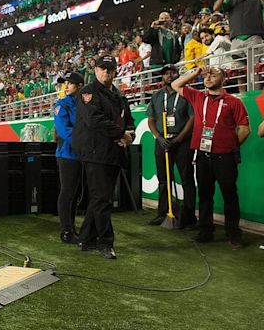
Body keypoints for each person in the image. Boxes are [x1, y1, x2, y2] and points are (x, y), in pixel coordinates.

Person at [172, 66, 250, 249]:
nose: (208, 77)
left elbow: (245, 129)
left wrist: (230, 146)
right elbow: (176, 84)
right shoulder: (198, 97)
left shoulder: (233, 102)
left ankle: (233, 233)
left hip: (225, 158)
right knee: (205, 195)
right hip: (202, 155)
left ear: (224, 79)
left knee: (230, 196)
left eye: (213, 74)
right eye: (206, 75)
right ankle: (205, 230)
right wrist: (196, 72)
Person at [72, 55, 135, 259]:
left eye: (109, 69)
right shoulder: (87, 92)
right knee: (102, 199)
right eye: (102, 68)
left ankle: (85, 238)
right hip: (95, 152)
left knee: (100, 198)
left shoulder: (119, 95)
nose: (106, 72)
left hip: (113, 152)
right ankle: (105, 242)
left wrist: (129, 135)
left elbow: (130, 120)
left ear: (115, 71)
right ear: (95, 70)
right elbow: (94, 120)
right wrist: (121, 134)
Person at [146, 65, 196, 228]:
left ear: (178, 75)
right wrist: (158, 137)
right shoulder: (157, 95)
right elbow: (151, 119)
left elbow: (192, 119)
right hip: (162, 142)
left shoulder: (185, 94)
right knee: (163, 178)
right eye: (166, 73)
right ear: (162, 77)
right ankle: (163, 212)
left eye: (173, 72)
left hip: (182, 142)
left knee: (186, 178)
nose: (169, 75)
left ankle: (188, 217)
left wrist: (179, 139)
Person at [54, 72, 84, 244]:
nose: (66, 86)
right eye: (65, 83)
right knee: (67, 192)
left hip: (80, 154)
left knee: (76, 193)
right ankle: (66, 231)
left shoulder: (84, 103)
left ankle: (71, 227)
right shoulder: (61, 104)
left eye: (70, 83)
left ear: (79, 86)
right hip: (67, 154)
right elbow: (64, 131)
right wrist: (86, 140)